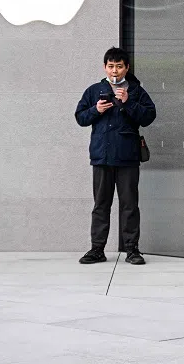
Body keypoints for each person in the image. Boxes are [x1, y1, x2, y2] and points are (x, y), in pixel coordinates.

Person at [75, 47, 156, 265]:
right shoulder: (94, 91)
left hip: (127, 157)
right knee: (101, 204)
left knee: (129, 204)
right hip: (101, 156)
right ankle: (97, 249)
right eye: (111, 66)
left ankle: (132, 250)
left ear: (126, 68)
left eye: (119, 66)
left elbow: (149, 116)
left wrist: (129, 101)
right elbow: (80, 117)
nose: (115, 70)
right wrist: (96, 110)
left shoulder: (137, 91)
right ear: (105, 67)